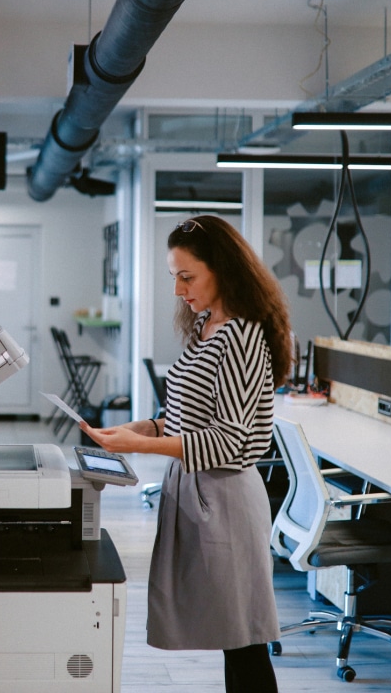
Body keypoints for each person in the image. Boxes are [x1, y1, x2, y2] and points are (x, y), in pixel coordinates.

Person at [80, 214, 292, 693]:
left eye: (186, 276)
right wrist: (145, 426)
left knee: (244, 639)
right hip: (198, 493)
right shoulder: (205, 325)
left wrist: (144, 445)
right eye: (173, 276)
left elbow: (231, 440)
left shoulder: (240, 336)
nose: (178, 289)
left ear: (223, 269)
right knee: (230, 634)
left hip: (225, 500)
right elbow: (188, 411)